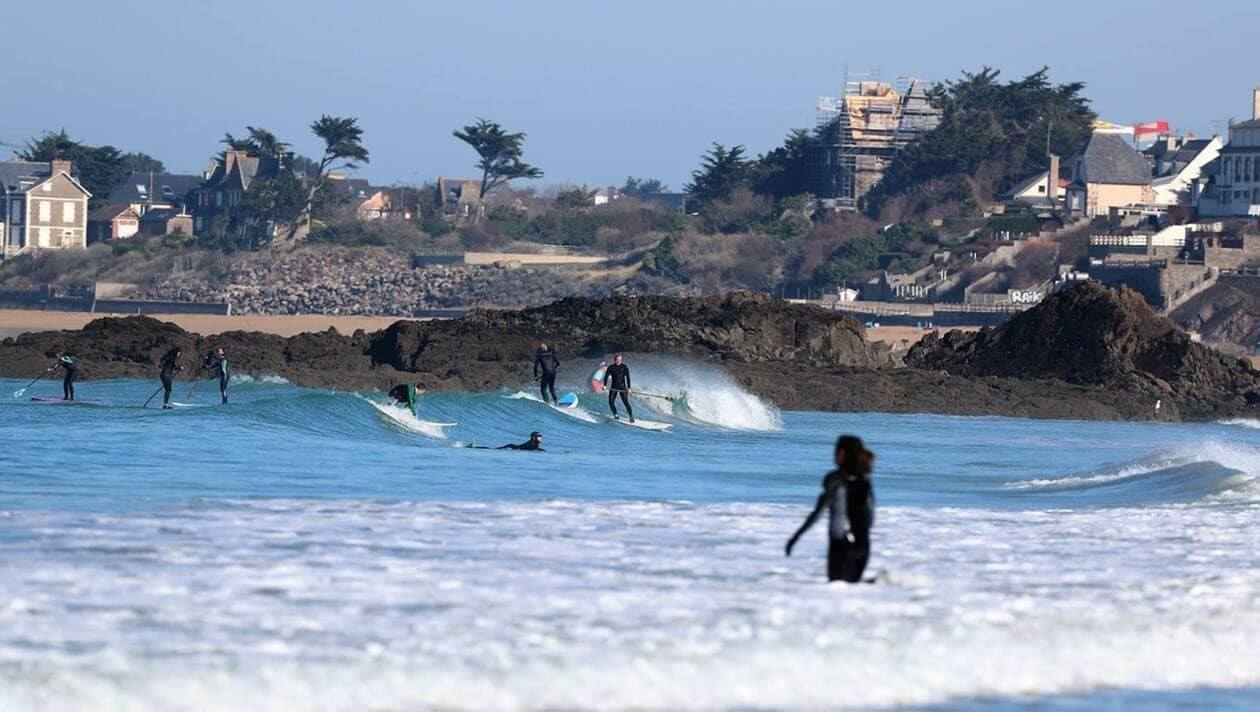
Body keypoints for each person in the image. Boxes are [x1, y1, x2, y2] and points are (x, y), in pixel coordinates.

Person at [785, 435, 876, 583]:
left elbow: (818, 512)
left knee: (835, 591)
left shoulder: (834, 478)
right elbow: (870, 516)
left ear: (841, 454)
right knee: (853, 591)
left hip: (840, 545)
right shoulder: (864, 479)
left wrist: (795, 537)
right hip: (863, 546)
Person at [602, 354, 634, 422]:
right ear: (615, 360)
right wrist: (604, 385)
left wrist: (629, 388)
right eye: (617, 360)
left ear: (621, 360)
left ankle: (631, 416)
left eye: (620, 360)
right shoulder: (611, 367)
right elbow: (606, 377)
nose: (618, 361)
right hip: (614, 386)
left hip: (622, 387)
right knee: (611, 402)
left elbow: (628, 378)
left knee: (625, 402)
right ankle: (616, 415)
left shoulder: (624, 367)